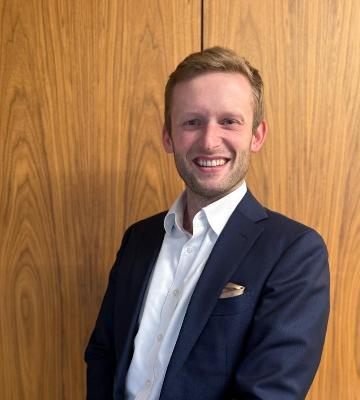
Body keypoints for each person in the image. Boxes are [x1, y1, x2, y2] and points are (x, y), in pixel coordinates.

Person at [85, 46, 330, 400]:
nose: (209, 141)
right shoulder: (139, 239)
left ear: (256, 135)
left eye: (229, 121)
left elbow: (268, 394)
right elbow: (104, 354)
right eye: (192, 122)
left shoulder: (294, 252)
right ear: (168, 136)